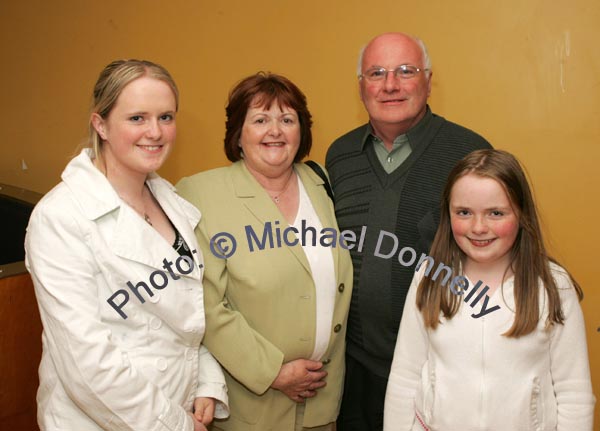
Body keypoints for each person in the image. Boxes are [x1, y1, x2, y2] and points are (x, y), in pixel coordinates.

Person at [25, 59, 229, 431]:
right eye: (137, 118)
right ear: (100, 124)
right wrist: (176, 426)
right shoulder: (60, 218)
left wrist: (207, 382)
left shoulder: (172, 202)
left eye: (166, 117)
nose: (155, 132)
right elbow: (87, 364)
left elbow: (187, 316)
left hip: (174, 404)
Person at [325, 32, 493, 430]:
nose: (390, 85)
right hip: (355, 369)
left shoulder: (469, 153)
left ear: (429, 81)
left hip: (441, 368)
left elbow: (500, 256)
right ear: (361, 86)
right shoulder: (339, 155)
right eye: (377, 72)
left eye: (406, 71)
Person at [177, 72, 352, 431]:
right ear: (237, 134)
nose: (275, 131)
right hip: (250, 407)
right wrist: (273, 372)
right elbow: (204, 304)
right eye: (260, 120)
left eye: (287, 120)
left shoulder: (321, 184)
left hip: (322, 403)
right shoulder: (199, 195)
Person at [384, 149, 595, 430]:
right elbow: (405, 377)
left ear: (521, 214)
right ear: (448, 215)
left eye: (496, 213)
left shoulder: (553, 285)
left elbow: (574, 393)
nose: (478, 227)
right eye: (464, 213)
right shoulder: (429, 276)